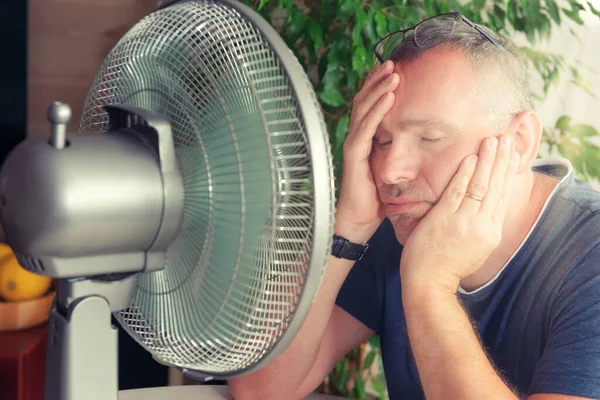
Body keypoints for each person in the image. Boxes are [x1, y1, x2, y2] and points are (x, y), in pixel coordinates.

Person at [228, 12, 600, 400]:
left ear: (519, 143)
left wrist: (428, 286)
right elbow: (259, 389)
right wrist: (349, 225)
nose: (390, 171)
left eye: (430, 137)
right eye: (381, 141)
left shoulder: (590, 257)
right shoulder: (397, 228)